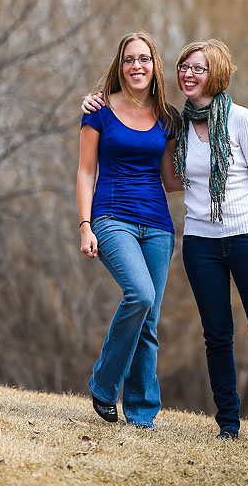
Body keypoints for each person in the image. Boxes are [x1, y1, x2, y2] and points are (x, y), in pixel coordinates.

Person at [81, 39, 248, 452]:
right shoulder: (160, 120)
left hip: (239, 236)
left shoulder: (227, 120)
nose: (189, 75)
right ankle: (225, 424)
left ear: (217, 74)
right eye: (184, 68)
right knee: (207, 331)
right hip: (193, 239)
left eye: (199, 68)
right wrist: (87, 220)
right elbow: (156, 175)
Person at [77, 32, 182, 429]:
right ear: (119, 66)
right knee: (139, 293)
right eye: (128, 59)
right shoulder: (98, 111)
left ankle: (141, 416)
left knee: (150, 319)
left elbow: (171, 179)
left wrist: (215, 169)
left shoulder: (169, 118)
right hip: (110, 218)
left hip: (158, 225)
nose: (136, 66)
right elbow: (86, 171)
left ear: (155, 65)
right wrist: (86, 225)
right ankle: (104, 385)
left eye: (144, 59)